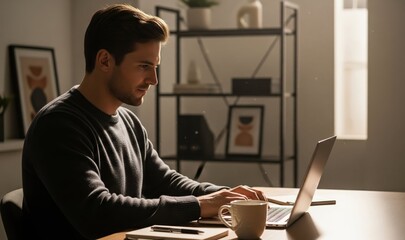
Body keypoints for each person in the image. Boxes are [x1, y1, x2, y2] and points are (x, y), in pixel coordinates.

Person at [21, 3, 266, 240]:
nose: (154, 79)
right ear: (105, 60)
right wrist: (200, 206)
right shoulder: (57, 125)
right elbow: (97, 213)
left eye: (155, 66)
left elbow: (165, 181)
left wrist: (224, 196)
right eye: (144, 66)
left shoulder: (128, 122)